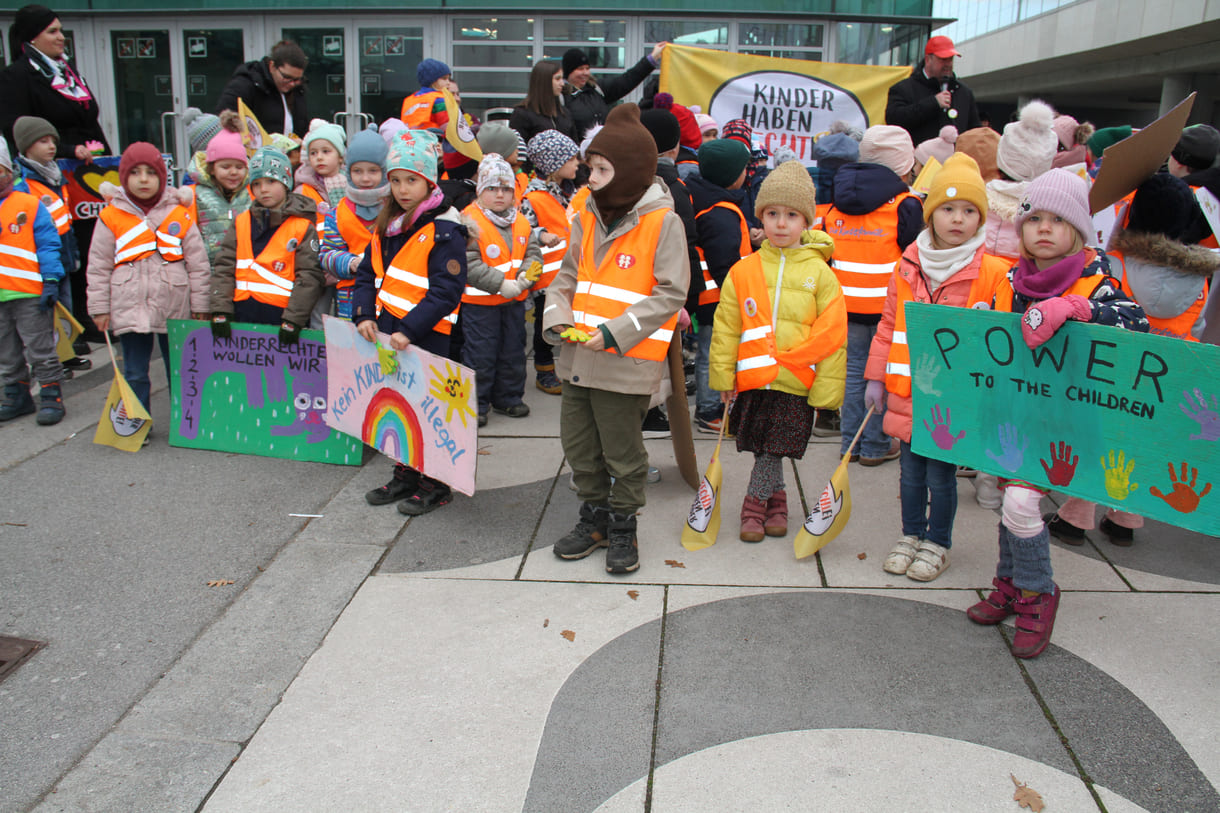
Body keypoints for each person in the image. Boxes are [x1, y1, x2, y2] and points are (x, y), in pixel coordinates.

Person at [968, 169, 1148, 659]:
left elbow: (1137, 326)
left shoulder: (1098, 282)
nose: (1043, 228)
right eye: (1034, 219)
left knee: (1020, 506)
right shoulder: (1011, 279)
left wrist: (1079, 309)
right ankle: (1010, 584)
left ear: (1079, 230)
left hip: (1068, 425)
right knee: (1012, 506)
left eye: (1058, 220)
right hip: (1016, 417)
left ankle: (1038, 592)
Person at [542, 104, 689, 574]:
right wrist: (556, 319)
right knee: (579, 447)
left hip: (626, 362)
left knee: (623, 453)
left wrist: (613, 333)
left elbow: (671, 292)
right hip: (577, 357)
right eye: (591, 168)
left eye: (602, 170)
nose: (592, 179)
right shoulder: (586, 215)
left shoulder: (662, 222)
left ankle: (624, 525)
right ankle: (595, 519)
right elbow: (566, 276)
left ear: (628, 171)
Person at [1046, 173, 1218, 547]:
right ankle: (1125, 519)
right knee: (1137, 445)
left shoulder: (1114, 265)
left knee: (1096, 442)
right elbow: (1198, 329)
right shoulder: (1200, 280)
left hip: (1112, 371)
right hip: (1164, 378)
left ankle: (1075, 517)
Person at [865, 154, 1008, 581]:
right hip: (908, 389)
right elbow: (889, 324)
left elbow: (1000, 343)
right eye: (947, 208)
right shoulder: (908, 264)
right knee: (910, 473)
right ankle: (911, 534)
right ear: (931, 214)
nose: (957, 219)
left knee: (942, 476)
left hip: (954, 398)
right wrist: (875, 376)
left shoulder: (993, 272)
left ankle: (937, 542)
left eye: (968, 210)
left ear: (980, 218)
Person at [709, 160, 847, 542]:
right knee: (764, 445)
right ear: (761, 217)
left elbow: (833, 336)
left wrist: (827, 393)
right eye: (772, 214)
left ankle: (754, 504)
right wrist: (723, 376)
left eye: (791, 215)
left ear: (806, 222)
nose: (781, 224)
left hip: (796, 381)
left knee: (773, 447)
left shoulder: (822, 275)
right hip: (754, 379)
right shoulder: (744, 270)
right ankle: (778, 502)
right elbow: (727, 328)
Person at [355, 129, 466, 514]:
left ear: (430, 181)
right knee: (398, 404)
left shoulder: (446, 230)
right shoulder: (387, 224)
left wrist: (408, 330)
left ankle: (435, 482)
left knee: (430, 411)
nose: (403, 189)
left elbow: (446, 291)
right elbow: (368, 273)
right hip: (390, 332)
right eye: (397, 180)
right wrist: (364, 314)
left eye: (412, 180)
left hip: (429, 335)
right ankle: (406, 472)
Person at [1, 5, 111, 350]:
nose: (61, 37)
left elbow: (89, 120)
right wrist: (66, 148)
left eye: (61, 30)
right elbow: (17, 129)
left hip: (85, 175)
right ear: (31, 37)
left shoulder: (67, 72)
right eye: (52, 31)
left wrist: (106, 160)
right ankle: (68, 327)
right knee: (62, 247)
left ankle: (91, 315)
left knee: (90, 243)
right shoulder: (18, 76)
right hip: (49, 175)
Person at [820, 125, 923, 466]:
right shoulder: (906, 205)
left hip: (844, 306)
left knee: (852, 375)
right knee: (883, 374)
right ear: (904, 165)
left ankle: (850, 444)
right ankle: (876, 445)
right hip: (889, 310)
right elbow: (914, 256)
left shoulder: (837, 200)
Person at [87, 142, 209, 414]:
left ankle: (183, 421)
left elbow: (198, 264)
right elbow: (98, 265)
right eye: (135, 172)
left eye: (151, 173)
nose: (143, 179)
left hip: (174, 304)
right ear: (123, 176)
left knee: (179, 369)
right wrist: (99, 307)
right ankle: (137, 421)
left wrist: (200, 305)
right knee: (135, 371)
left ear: (162, 177)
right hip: (128, 303)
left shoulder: (179, 213)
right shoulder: (111, 216)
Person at [461, 153, 544, 427]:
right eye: (492, 188)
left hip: (514, 302)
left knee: (513, 352)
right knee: (480, 355)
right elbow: (468, 264)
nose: (500, 194)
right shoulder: (469, 222)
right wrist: (500, 284)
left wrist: (525, 276)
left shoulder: (521, 221)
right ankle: (476, 404)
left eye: (506, 189)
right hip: (480, 305)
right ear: (480, 190)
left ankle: (508, 398)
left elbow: (533, 253)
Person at [209, 147, 324, 340]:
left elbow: (309, 277)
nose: (263, 189)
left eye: (271, 181)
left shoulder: (302, 226)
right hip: (241, 317)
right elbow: (224, 267)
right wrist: (220, 309)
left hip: (282, 320)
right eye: (256, 183)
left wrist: (294, 319)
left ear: (286, 183)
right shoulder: (241, 222)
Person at [12, 115, 89, 375]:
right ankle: (51, 360)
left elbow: (65, 218)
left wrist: (73, 251)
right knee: (46, 313)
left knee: (64, 307)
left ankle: (66, 353)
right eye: (43, 141)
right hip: (42, 259)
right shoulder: (24, 183)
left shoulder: (55, 176)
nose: (51, 146)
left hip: (62, 253)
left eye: (53, 140)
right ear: (26, 146)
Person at [687, 138, 753, 434]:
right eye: (743, 169)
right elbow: (725, 262)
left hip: (710, 295)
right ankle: (709, 410)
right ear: (730, 175)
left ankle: (712, 406)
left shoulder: (704, 199)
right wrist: (740, 297)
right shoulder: (720, 211)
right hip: (719, 297)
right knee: (714, 354)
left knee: (711, 352)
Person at [0, 137, 66, 425]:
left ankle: (51, 395)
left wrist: (51, 280)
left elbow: (48, 244)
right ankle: (17, 395)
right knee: (6, 351)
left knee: (40, 348)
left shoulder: (29, 204)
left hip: (29, 293)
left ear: (8, 170)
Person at [521, 129, 582, 395]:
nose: (577, 163)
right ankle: (544, 370)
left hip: (569, 272)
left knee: (566, 323)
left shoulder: (567, 193)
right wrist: (541, 235)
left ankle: (565, 368)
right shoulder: (533, 198)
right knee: (545, 325)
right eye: (571, 158)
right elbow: (523, 231)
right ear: (554, 164)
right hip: (547, 278)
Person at [320, 124, 388, 320]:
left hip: (388, 296)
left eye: (373, 171)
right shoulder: (337, 214)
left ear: (384, 171)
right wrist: (350, 263)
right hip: (350, 298)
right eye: (357, 171)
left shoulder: (396, 211)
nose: (365, 178)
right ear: (348, 172)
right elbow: (327, 254)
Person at [885, 35, 981, 146]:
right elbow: (893, 120)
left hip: (954, 156)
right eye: (943, 59)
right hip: (917, 156)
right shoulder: (903, 89)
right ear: (928, 60)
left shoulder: (964, 93)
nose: (948, 64)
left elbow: (975, 131)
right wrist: (933, 103)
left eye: (950, 59)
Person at [562, 43, 667, 141]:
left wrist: (652, 58)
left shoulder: (597, 89)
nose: (585, 73)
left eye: (587, 68)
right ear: (568, 72)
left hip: (603, 149)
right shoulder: (561, 97)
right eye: (580, 69)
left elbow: (627, 80)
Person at [186, 115, 251, 268]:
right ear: (212, 169)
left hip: (246, 269)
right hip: (209, 270)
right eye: (225, 167)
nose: (233, 172)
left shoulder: (251, 193)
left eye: (239, 167)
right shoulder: (194, 195)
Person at [216, 41, 309, 137]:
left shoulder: (298, 89)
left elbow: (302, 125)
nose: (292, 84)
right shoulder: (245, 85)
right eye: (286, 77)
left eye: (297, 79)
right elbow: (224, 121)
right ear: (272, 66)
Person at [509, 61, 576, 146]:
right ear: (544, 81)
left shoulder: (565, 113)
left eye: (562, 79)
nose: (562, 84)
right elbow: (517, 150)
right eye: (557, 79)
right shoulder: (522, 114)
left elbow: (575, 146)